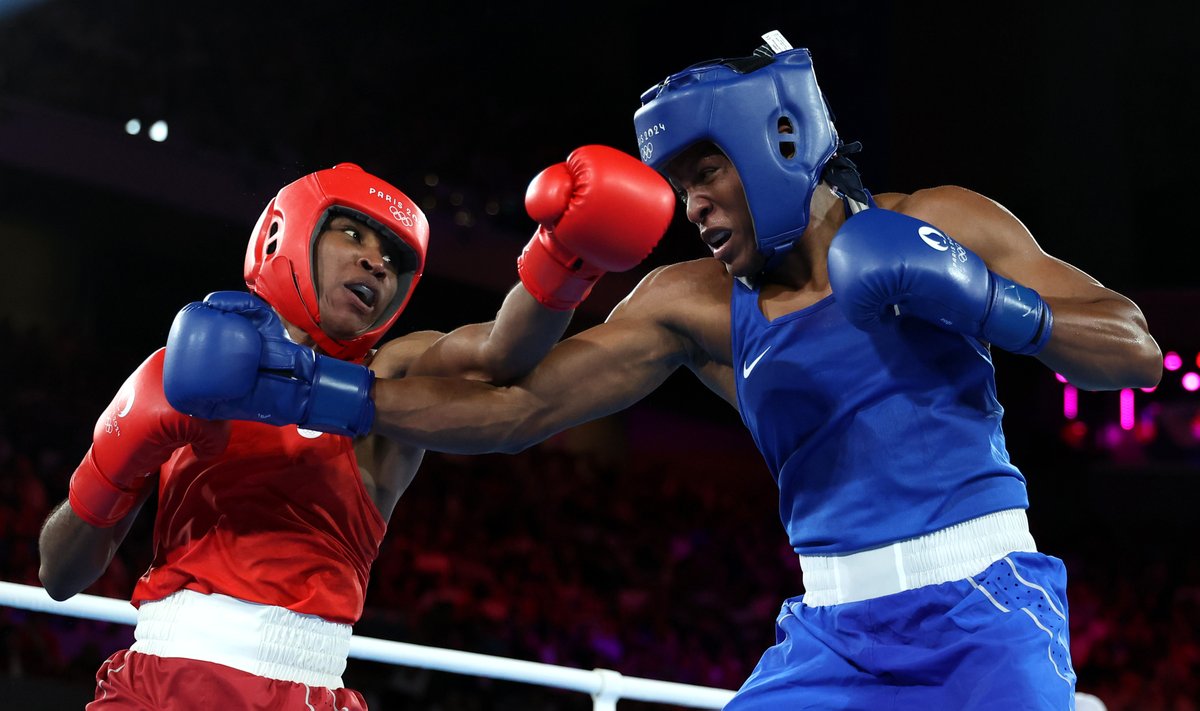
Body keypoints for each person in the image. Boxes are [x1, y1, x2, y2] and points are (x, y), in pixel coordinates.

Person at [167, 32, 1163, 709]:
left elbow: (1135, 348)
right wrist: (311, 389)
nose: (692, 204)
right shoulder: (692, 303)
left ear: (779, 142)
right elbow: (517, 404)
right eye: (681, 183)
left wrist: (989, 305)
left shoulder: (943, 221)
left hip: (987, 606)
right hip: (835, 636)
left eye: (706, 172)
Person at [37, 151, 675, 709]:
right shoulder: (190, 377)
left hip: (304, 688)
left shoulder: (392, 374)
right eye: (353, 235)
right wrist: (111, 463)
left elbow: (498, 354)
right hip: (154, 684)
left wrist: (564, 256)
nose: (375, 263)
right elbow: (60, 576)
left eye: (394, 260)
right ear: (286, 236)